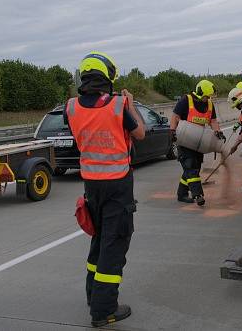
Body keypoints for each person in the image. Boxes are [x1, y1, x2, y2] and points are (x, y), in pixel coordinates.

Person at [63, 51, 145, 328]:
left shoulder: (71, 107)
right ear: (108, 77)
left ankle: (93, 295)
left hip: (91, 186)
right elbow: (140, 134)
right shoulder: (119, 105)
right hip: (117, 185)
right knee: (114, 244)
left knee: (99, 240)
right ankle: (104, 309)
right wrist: (130, 104)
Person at [170, 79, 225, 206]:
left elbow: (213, 121)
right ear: (200, 93)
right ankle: (198, 195)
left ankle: (181, 194)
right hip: (184, 140)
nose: (208, 99)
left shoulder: (209, 105)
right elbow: (175, 116)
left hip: (198, 142)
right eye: (207, 96)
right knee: (190, 167)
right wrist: (172, 132)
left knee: (194, 168)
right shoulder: (186, 100)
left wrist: (217, 131)